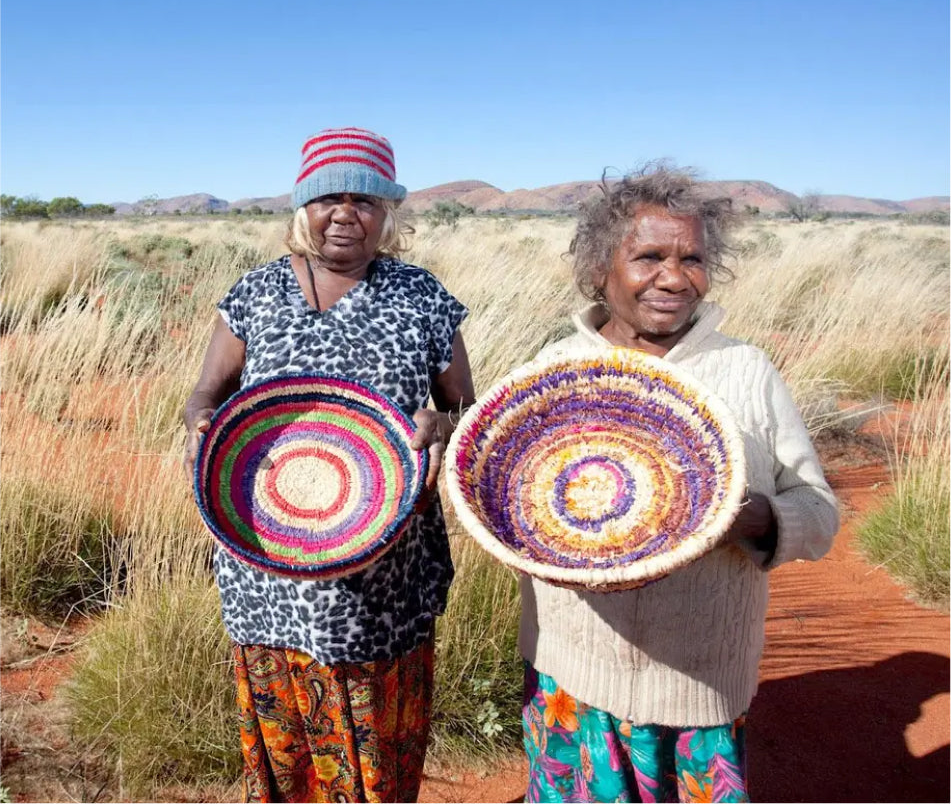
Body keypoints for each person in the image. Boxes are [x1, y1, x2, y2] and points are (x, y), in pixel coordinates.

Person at [517, 166, 839, 803]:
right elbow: (502, 507)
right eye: (648, 256)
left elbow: (819, 511)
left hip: (697, 685)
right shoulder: (551, 372)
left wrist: (756, 517)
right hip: (571, 677)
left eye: (691, 258)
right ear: (597, 268)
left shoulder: (744, 371)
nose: (673, 277)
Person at [183, 127, 475, 804]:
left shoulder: (422, 298)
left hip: (385, 571)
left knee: (378, 747)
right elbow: (206, 392)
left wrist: (444, 424)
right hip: (267, 561)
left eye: (366, 201)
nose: (347, 213)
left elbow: (466, 410)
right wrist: (200, 424)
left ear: (388, 215)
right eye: (330, 198)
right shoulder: (253, 294)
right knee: (284, 746)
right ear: (302, 208)